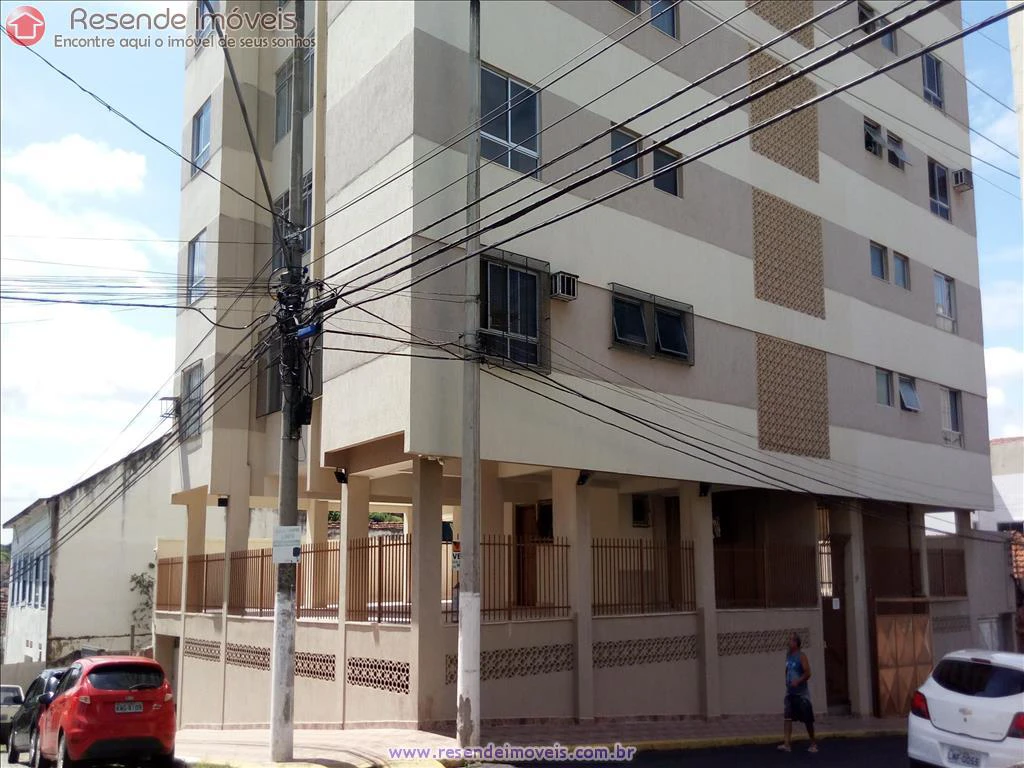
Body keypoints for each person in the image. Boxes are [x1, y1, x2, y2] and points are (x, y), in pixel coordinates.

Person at [779, 632, 817, 753]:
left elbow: (808, 673)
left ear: (796, 643)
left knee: (807, 719)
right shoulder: (789, 655)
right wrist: (787, 680)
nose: (789, 642)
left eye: (791, 640)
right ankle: (786, 744)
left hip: (801, 694)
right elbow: (787, 669)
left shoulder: (802, 656)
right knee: (787, 717)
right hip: (790, 693)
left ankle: (813, 743)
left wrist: (798, 681)